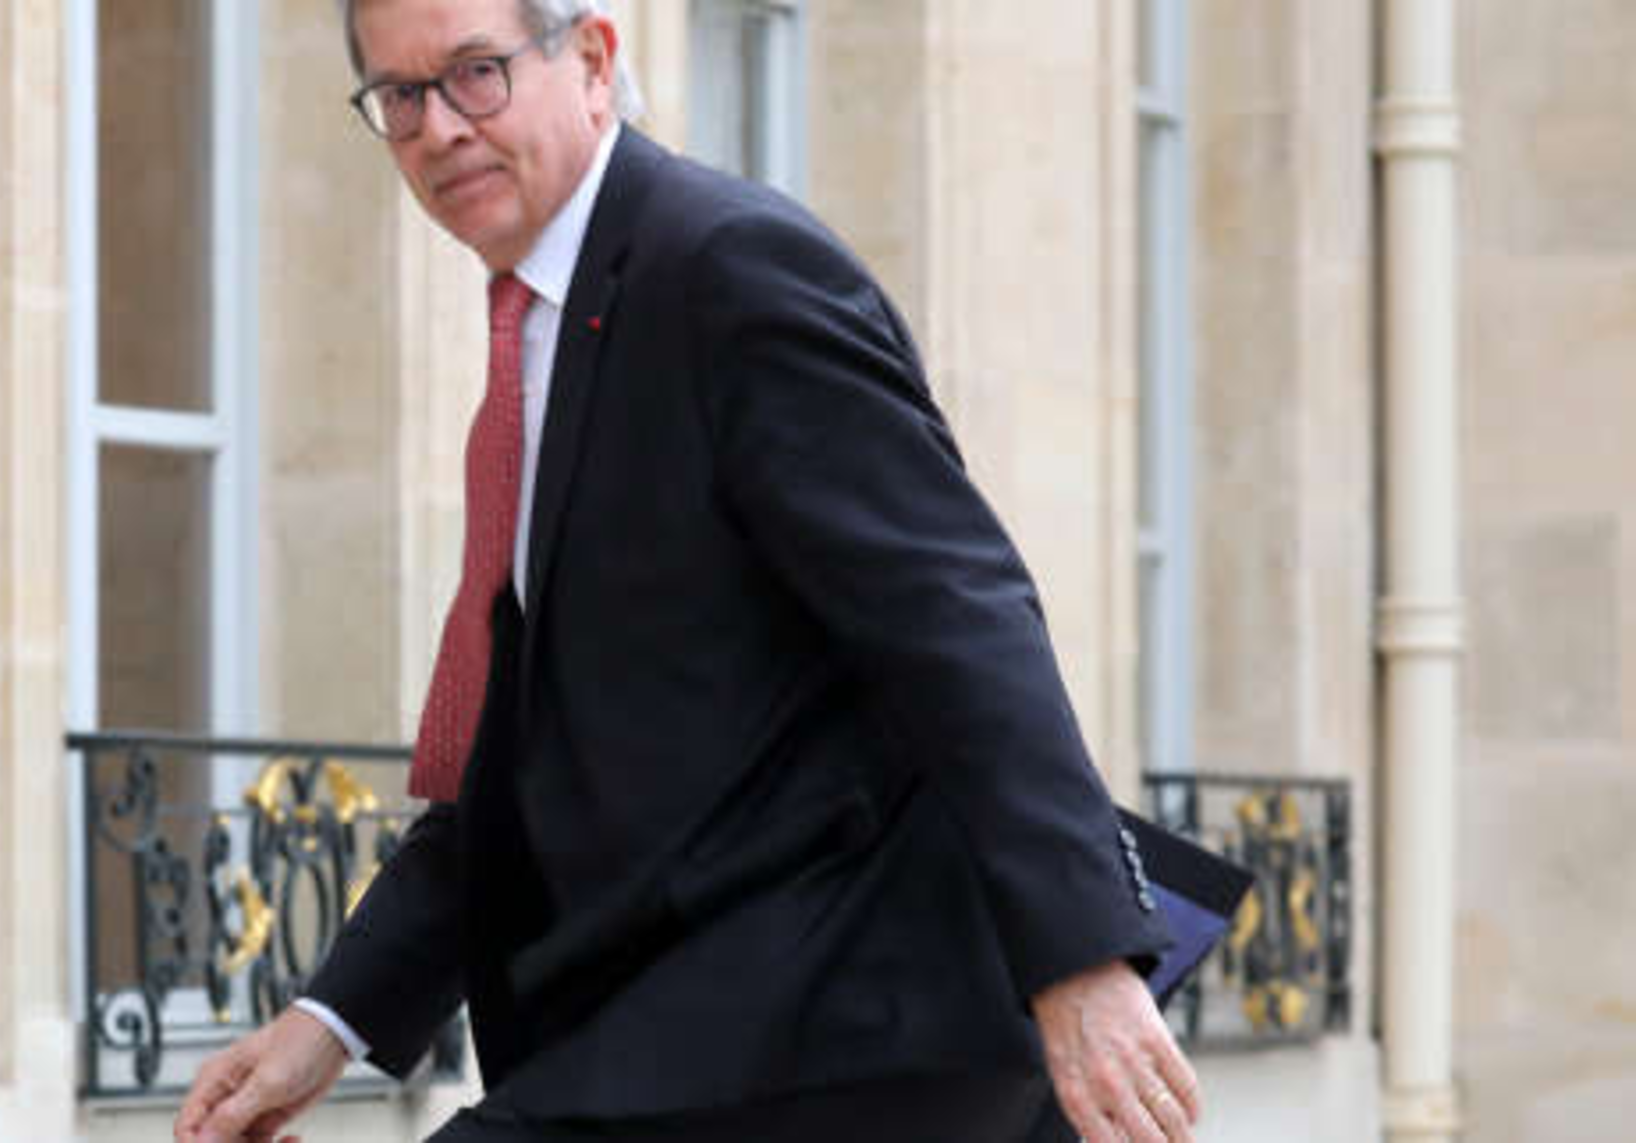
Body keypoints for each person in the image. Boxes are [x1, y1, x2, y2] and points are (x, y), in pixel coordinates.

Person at [176, 2, 1200, 1140]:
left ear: (593, 60)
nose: (440, 128)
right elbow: (506, 759)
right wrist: (328, 1021)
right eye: (401, 96)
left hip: (845, 1026)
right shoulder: (540, 334)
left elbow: (956, 615)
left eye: (476, 73)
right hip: (678, 1034)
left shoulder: (728, 267)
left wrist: (1082, 958)